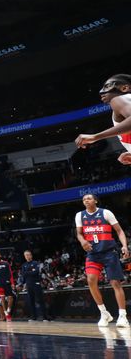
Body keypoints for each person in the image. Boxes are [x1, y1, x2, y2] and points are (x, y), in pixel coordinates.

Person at [75, 193, 129, 327]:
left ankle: (123, 316)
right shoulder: (79, 215)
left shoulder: (106, 213)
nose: (86, 201)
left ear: (95, 201)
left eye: (88, 198)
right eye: (84, 199)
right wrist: (82, 242)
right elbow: (79, 234)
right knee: (91, 280)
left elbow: (119, 231)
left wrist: (124, 246)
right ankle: (104, 313)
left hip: (109, 252)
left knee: (115, 283)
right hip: (93, 254)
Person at [75, 74, 131, 165]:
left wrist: (95, 136)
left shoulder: (118, 99)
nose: (101, 92)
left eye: (107, 86)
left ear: (124, 88)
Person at [19, 250, 48, 322]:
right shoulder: (24, 265)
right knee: (31, 301)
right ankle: (34, 317)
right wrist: (29, 272)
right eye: (26, 255)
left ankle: (45, 317)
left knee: (40, 300)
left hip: (36, 283)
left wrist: (27, 272)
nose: (27, 256)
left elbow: (36, 272)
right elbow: (23, 274)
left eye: (28, 255)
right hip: (28, 285)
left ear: (31, 255)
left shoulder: (36, 263)